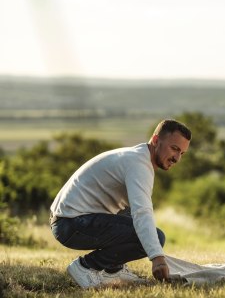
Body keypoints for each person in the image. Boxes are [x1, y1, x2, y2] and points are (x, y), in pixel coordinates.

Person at [49, 119, 191, 288]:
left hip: (70, 220)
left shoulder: (138, 158)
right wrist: (157, 258)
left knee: (131, 214)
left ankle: (113, 270)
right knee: (157, 237)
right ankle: (86, 266)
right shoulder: (139, 164)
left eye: (182, 153)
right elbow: (142, 212)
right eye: (174, 148)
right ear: (155, 141)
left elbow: (133, 210)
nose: (177, 158)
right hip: (71, 223)